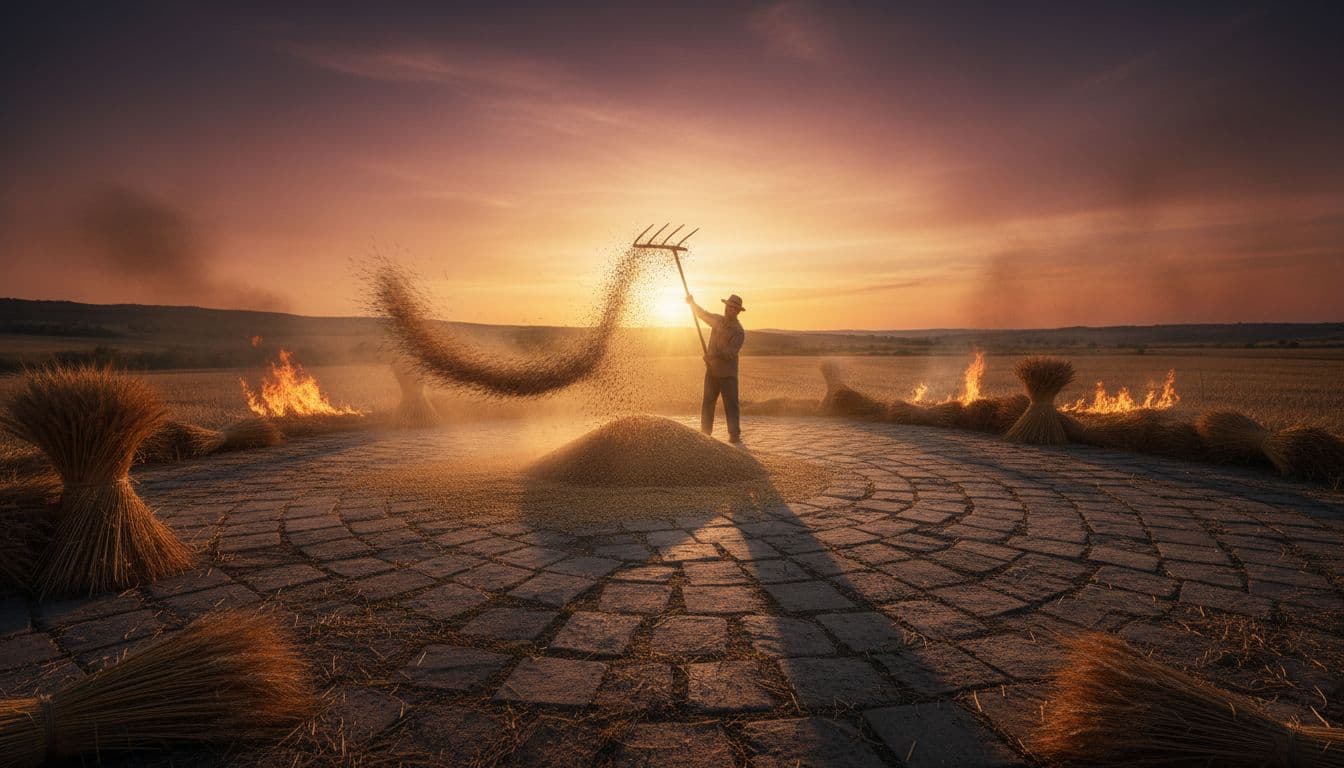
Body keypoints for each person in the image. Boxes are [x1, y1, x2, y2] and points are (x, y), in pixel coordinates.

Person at [685, 292, 746, 442]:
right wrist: (692, 303)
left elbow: (729, 353)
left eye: (733, 308)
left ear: (738, 311)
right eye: (728, 306)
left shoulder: (738, 331)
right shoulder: (717, 320)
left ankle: (734, 436)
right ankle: (705, 435)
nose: (729, 309)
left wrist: (712, 356)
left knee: (731, 405)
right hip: (712, 372)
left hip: (728, 375)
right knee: (708, 403)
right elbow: (702, 314)